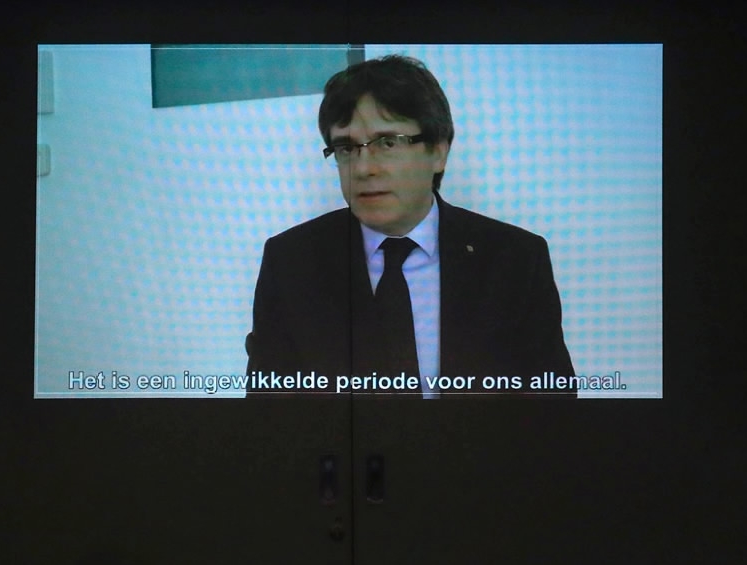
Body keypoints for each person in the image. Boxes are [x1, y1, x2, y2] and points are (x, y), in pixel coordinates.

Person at [245, 54, 576, 397]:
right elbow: (267, 413)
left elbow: (554, 406)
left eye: (388, 143)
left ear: (438, 151)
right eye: (346, 148)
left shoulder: (516, 259)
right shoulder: (291, 262)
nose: (363, 168)